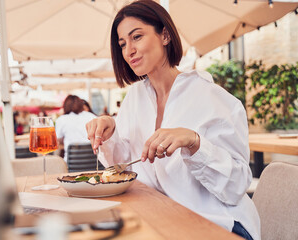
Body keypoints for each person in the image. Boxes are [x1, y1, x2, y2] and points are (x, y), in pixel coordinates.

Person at [85, 1, 260, 240]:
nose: (128, 51)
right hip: (163, 218)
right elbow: (126, 166)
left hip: (219, 224)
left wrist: (195, 143)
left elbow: (236, 186)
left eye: (137, 37)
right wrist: (110, 132)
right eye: (122, 43)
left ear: (165, 35)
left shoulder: (213, 98)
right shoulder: (134, 98)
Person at [55, 95, 96, 162]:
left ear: (65, 106)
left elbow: (57, 140)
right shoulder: (91, 116)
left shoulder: (61, 119)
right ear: (81, 104)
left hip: (72, 164)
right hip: (93, 163)